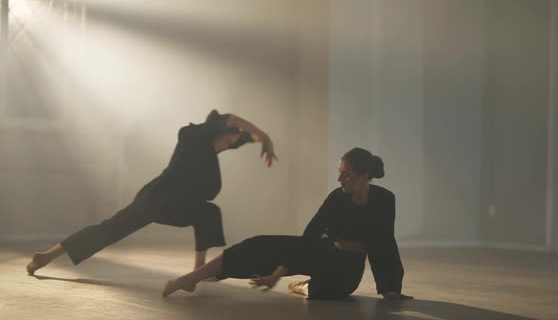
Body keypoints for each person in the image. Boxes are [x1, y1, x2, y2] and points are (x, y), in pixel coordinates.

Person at [26, 110, 278, 275]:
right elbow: (232, 119)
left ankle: (46, 256)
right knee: (206, 213)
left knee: (109, 229)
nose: (229, 147)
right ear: (218, 132)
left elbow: (244, 136)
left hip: (160, 201)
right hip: (162, 201)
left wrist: (262, 141)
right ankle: (198, 271)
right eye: (228, 141)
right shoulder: (193, 136)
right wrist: (264, 134)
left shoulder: (212, 146)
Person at [162, 147, 411, 300]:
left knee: (321, 292)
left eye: (346, 174)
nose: (339, 179)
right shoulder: (337, 197)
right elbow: (310, 236)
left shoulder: (384, 200)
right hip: (323, 251)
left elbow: (384, 242)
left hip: (346, 271)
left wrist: (390, 288)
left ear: (365, 175)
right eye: (339, 172)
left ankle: (301, 286)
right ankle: (192, 277)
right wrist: (278, 273)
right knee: (258, 245)